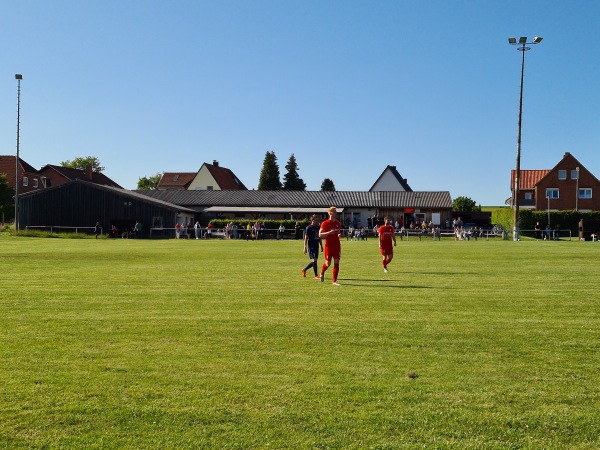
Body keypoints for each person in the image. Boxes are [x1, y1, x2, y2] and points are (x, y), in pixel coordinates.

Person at [319, 206, 342, 286]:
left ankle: (334, 281)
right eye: (334, 211)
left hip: (337, 246)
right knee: (328, 264)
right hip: (328, 246)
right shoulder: (325, 223)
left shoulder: (338, 223)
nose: (335, 213)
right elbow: (320, 234)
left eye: (336, 211)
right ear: (329, 213)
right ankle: (322, 272)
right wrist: (329, 233)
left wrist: (339, 235)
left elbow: (337, 233)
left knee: (337, 262)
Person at [302, 215, 323, 279]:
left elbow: (319, 237)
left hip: (316, 245)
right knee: (314, 260)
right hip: (311, 245)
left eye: (317, 220)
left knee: (315, 261)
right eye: (315, 220)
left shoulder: (318, 227)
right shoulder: (308, 227)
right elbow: (306, 237)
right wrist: (304, 247)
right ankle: (316, 275)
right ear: (312, 220)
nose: (316, 221)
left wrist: (321, 246)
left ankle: (304, 270)